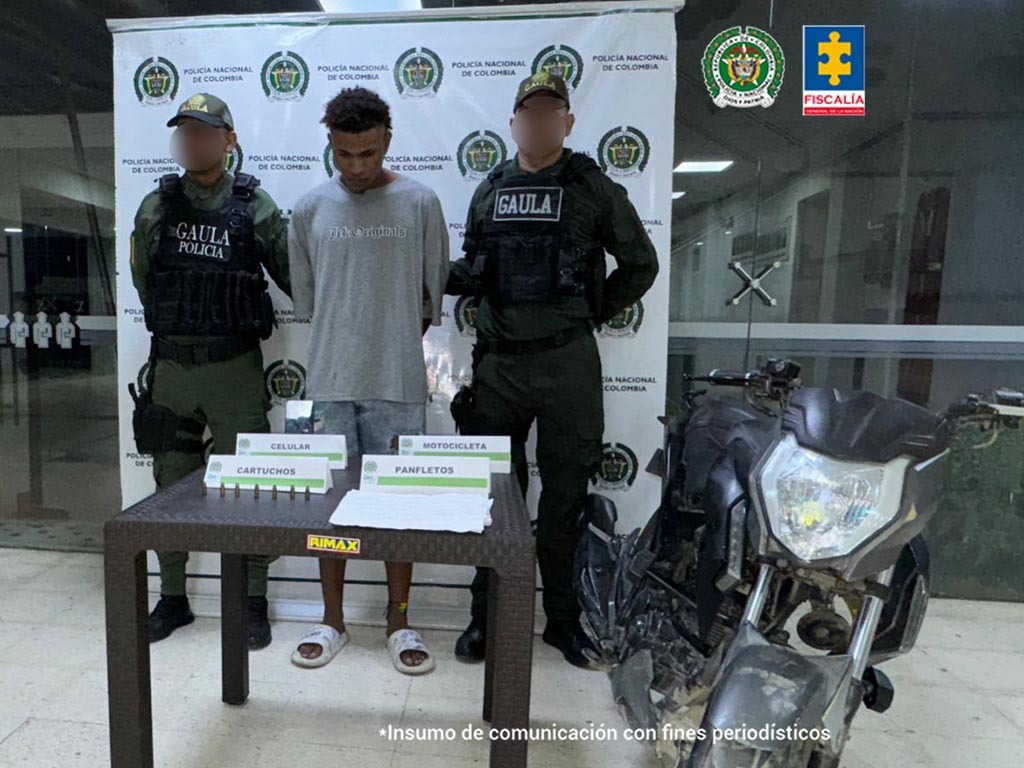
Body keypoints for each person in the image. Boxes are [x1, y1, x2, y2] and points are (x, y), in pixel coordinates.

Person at [447, 73, 659, 667]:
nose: (537, 122)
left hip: (567, 363)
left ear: (566, 122)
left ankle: (563, 622)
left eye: (550, 113)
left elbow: (641, 264)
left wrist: (593, 310)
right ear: (514, 123)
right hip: (499, 368)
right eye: (527, 113)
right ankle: (486, 620)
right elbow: (475, 269)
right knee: (494, 502)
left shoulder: (592, 187)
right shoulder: (489, 189)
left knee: (563, 502)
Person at [288, 87, 450, 675]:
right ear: (330, 146)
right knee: (332, 509)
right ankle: (331, 619)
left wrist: (387, 341)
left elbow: (430, 297)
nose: (356, 167)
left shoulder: (420, 203)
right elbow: (307, 299)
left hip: (398, 382)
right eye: (343, 155)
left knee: (398, 507)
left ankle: (399, 619)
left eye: (367, 153)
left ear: (386, 141)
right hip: (329, 381)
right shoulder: (308, 209)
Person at [129, 93, 291, 650]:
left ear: (229, 140)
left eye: (205, 132)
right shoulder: (156, 206)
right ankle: (172, 596)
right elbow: (145, 281)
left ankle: (252, 598)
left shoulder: (256, 206)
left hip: (234, 369)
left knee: (252, 487)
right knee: (169, 482)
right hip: (174, 367)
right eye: (186, 133)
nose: (194, 142)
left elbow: (294, 274)